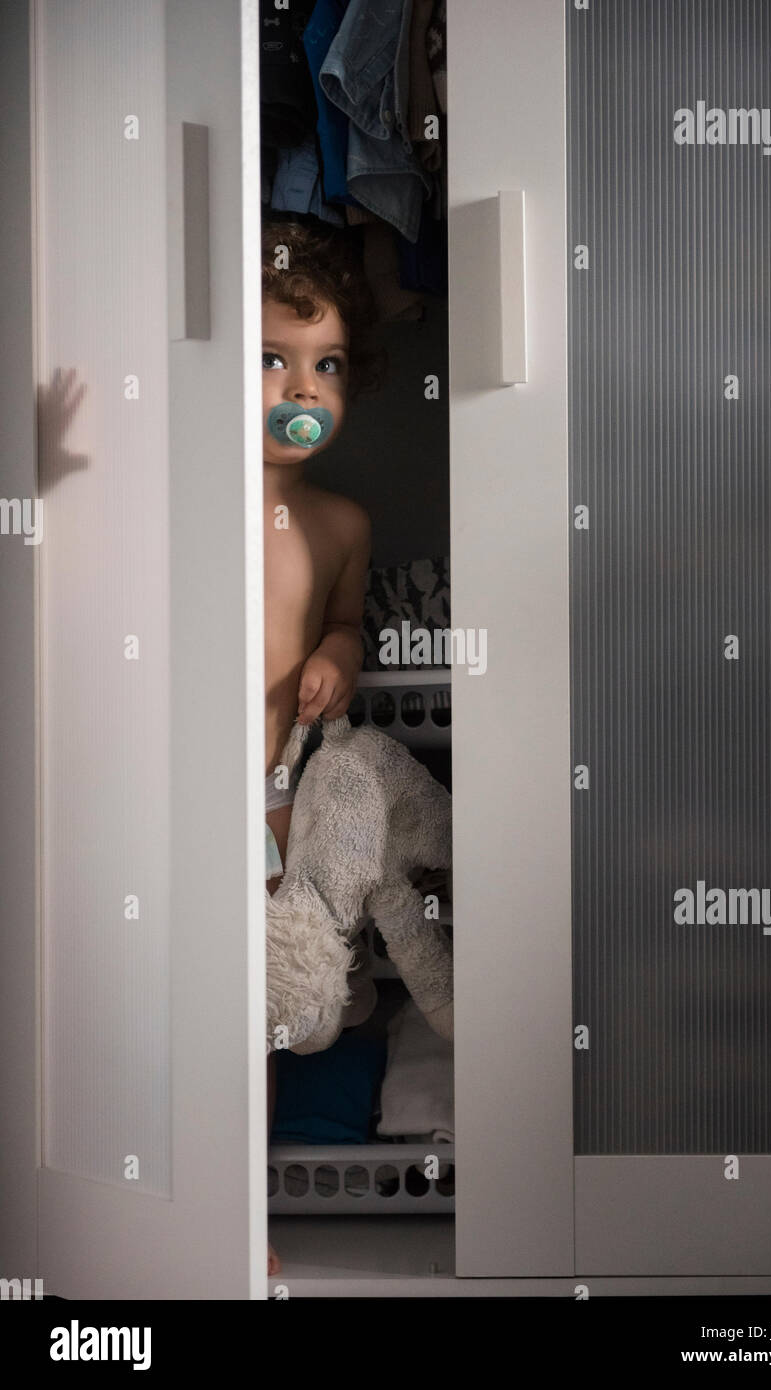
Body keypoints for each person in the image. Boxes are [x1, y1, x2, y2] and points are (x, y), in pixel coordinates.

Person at [261, 218, 383, 1274]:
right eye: (271, 361)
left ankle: (241, 1195)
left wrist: (337, 657)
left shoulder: (341, 522)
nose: (302, 389)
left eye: (325, 365)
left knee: (256, 989)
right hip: (181, 778)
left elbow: (343, 620)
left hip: (270, 784)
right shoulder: (196, 502)